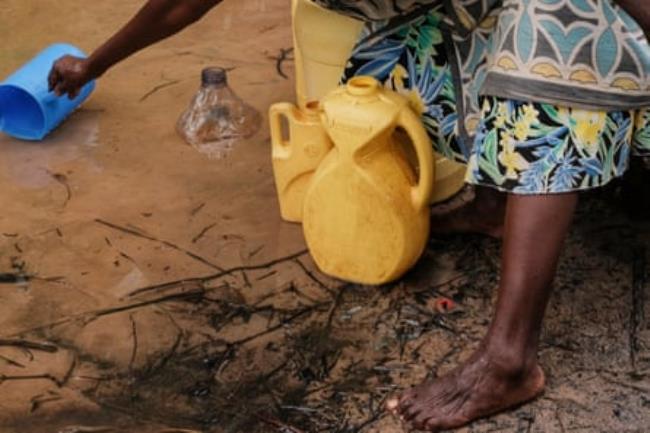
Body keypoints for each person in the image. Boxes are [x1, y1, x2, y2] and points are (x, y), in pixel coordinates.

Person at [49, 0, 650, 431]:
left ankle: (510, 358)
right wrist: (93, 65)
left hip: (607, 32)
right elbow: (180, 6)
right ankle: (497, 205)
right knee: (398, 52)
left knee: (549, 32)